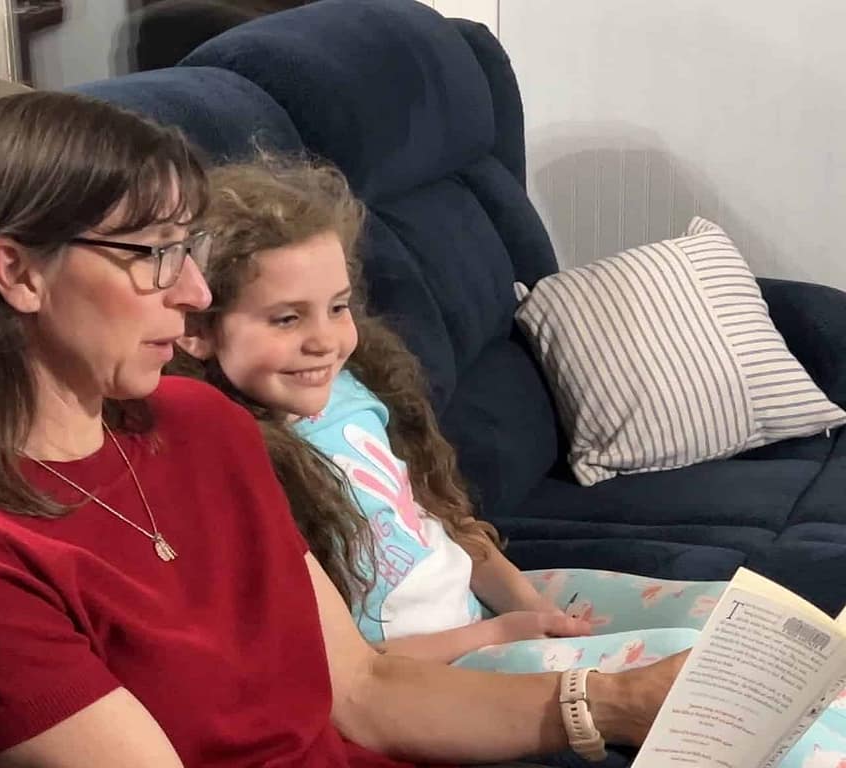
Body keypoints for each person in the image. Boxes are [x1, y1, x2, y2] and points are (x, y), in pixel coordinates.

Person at [0, 90, 685, 768]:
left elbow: (362, 691)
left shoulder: (201, 422)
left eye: (187, 250)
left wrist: (617, 705)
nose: (192, 292)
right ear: (18, 273)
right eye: (153, 252)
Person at [170, 154, 846, 768]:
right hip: (437, 668)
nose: (325, 339)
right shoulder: (232, 460)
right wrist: (502, 630)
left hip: (486, 609)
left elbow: (441, 515)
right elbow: (348, 669)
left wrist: (527, 602)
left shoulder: (350, 389)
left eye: (338, 307)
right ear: (198, 328)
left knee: (752, 626)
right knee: (717, 693)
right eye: (286, 319)